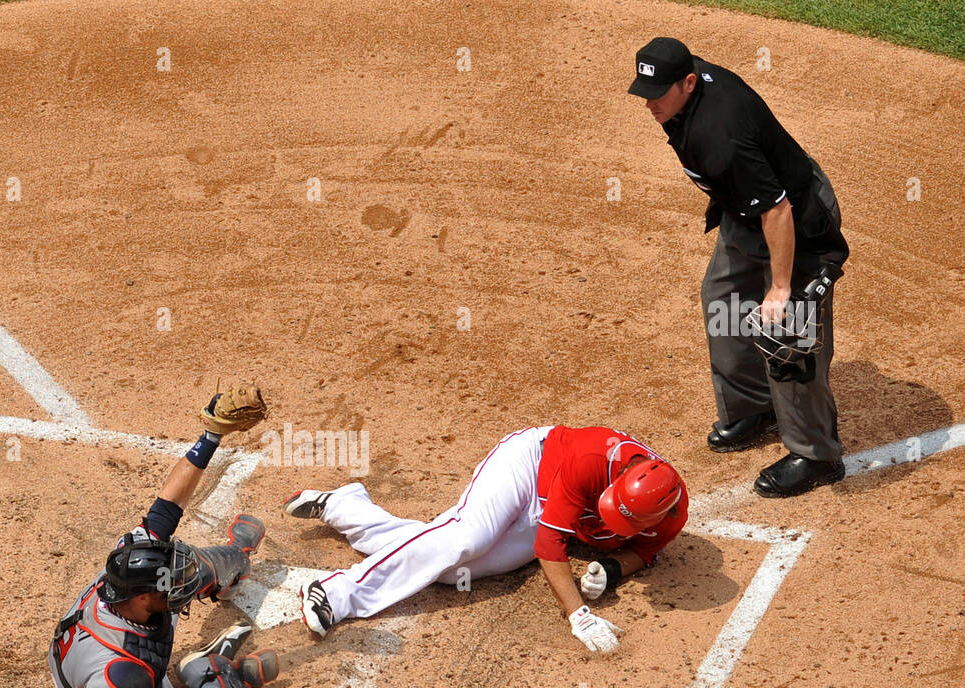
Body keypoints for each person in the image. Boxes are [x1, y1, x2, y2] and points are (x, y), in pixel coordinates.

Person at [47, 386, 276, 688]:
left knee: (221, 564)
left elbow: (166, 508)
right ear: (148, 595)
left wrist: (211, 434)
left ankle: (237, 561)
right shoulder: (119, 674)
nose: (182, 584)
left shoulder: (132, 564)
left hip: (130, 646)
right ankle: (210, 673)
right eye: (173, 586)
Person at [629, 37, 850, 497]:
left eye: (659, 93)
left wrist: (782, 287)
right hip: (745, 211)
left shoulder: (721, 134)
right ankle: (756, 403)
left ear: (689, 83)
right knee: (723, 300)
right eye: (645, 92)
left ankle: (816, 455)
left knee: (789, 332)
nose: (650, 104)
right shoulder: (685, 92)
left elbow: (779, 211)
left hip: (796, 223)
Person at [288, 425, 687, 652]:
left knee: (451, 569)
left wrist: (613, 569)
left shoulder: (672, 514)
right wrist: (578, 615)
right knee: (465, 538)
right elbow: (550, 546)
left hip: (552, 506)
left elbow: (646, 551)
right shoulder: (590, 460)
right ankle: (338, 592)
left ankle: (346, 507)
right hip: (528, 468)